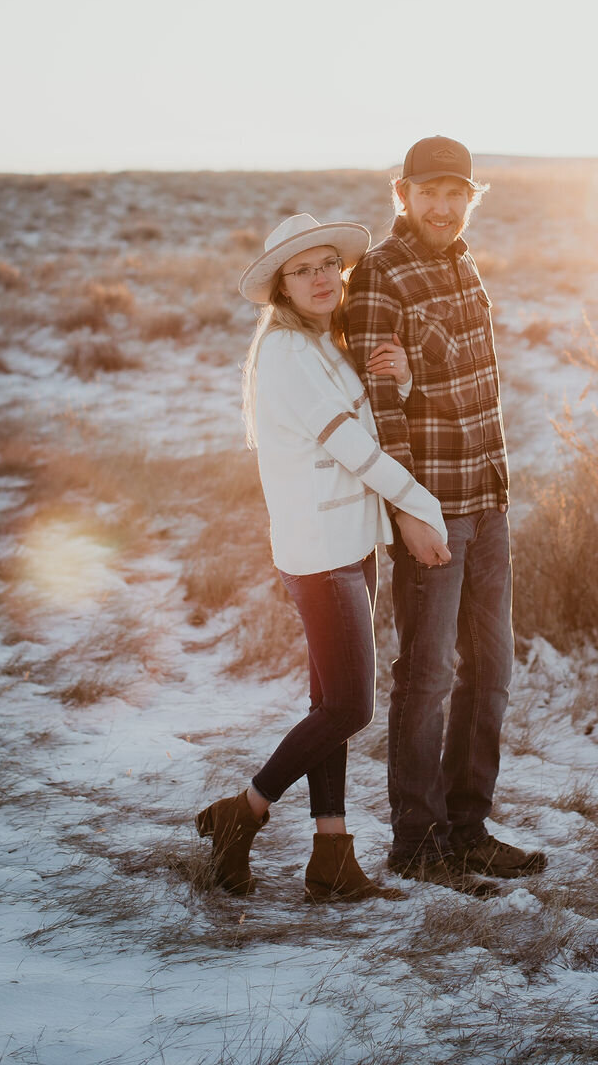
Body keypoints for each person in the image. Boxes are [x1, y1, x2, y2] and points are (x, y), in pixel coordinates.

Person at [195, 212, 450, 902]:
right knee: (349, 708)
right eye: (302, 269)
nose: (319, 278)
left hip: (348, 545)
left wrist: (394, 384)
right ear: (280, 284)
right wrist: (419, 508)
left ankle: (332, 855)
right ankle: (240, 814)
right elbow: (354, 450)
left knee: (325, 701)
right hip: (320, 554)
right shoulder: (284, 352)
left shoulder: (321, 344)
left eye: (327, 265)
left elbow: (360, 421)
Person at [345, 136, 547, 893]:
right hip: (433, 508)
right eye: (428, 192)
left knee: (489, 670)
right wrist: (409, 512)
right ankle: (417, 839)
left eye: (456, 192)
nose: (442, 205)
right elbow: (381, 411)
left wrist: (496, 493)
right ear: (402, 194)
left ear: (471, 198)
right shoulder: (379, 278)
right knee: (427, 673)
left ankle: (469, 827)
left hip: (488, 497)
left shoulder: (463, 264)